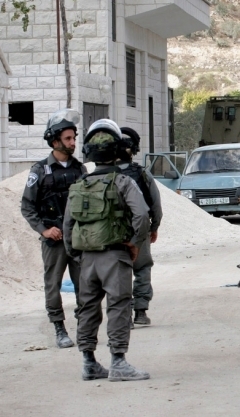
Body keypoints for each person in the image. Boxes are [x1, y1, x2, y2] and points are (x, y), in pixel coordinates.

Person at [63, 119, 151, 382]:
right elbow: (142, 215)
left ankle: (89, 363)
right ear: (117, 151)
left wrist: (77, 255)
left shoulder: (78, 185)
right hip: (115, 254)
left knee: (87, 308)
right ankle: (118, 362)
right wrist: (134, 243)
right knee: (119, 305)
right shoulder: (123, 182)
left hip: (86, 258)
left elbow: (68, 225)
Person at [21, 109, 86, 349]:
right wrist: (44, 230)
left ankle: (85, 327)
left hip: (78, 239)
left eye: (74, 138)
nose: (73, 142)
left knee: (85, 285)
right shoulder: (39, 171)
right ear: (54, 141)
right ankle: (59, 328)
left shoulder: (80, 170)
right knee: (53, 284)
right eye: (68, 138)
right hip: (54, 239)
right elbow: (27, 206)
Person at [117, 127, 163, 328]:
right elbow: (155, 204)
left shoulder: (106, 175)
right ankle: (141, 313)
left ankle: (124, 315)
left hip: (114, 232)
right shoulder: (142, 174)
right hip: (140, 229)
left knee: (119, 271)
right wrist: (155, 226)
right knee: (142, 268)